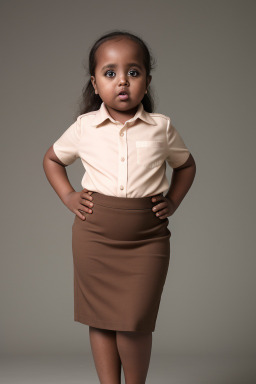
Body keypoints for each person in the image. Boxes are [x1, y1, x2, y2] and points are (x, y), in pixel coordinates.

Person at [43, 30, 196, 384]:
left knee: (134, 323)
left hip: (147, 240)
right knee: (100, 319)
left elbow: (186, 166)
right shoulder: (84, 128)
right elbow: (52, 159)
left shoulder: (162, 128)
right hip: (94, 238)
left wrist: (172, 200)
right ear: (95, 84)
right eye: (110, 73)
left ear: (147, 81)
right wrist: (68, 196)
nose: (122, 81)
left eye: (133, 72)